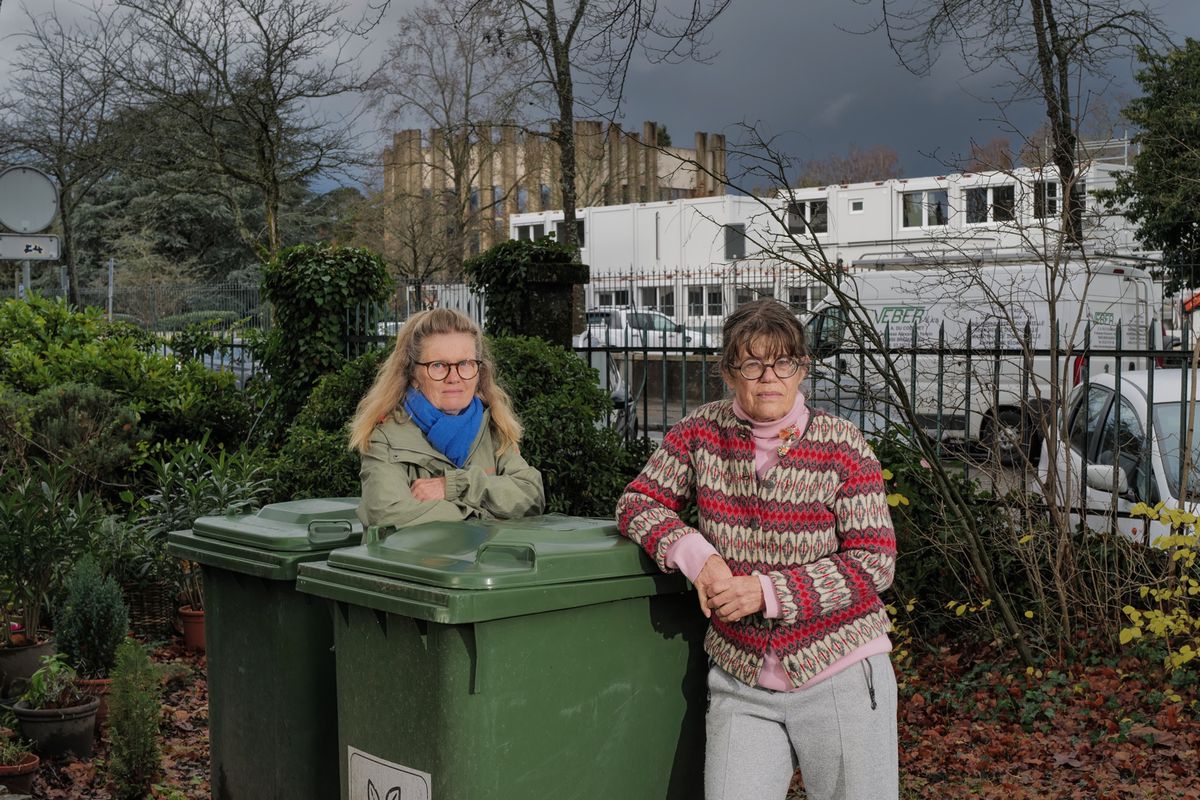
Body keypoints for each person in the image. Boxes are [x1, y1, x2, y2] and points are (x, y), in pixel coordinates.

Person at [616, 299, 897, 800]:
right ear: (728, 372)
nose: (769, 377)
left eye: (783, 362)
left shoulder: (842, 444)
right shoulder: (700, 433)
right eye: (752, 363)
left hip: (840, 671)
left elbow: (874, 560)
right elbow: (638, 502)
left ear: (802, 369)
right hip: (741, 678)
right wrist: (698, 556)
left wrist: (767, 592)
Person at [350, 308, 544, 528]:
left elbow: (531, 496)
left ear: (479, 371)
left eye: (465, 364)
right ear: (413, 375)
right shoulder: (385, 438)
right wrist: (484, 515)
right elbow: (387, 515)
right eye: (438, 365)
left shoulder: (493, 428)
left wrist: (454, 486)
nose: (454, 377)